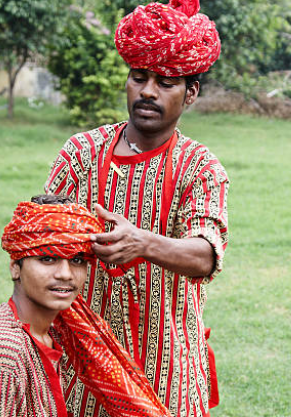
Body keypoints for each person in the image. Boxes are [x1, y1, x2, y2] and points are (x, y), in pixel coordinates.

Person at [44, 1, 229, 416]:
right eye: (139, 77)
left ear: (191, 93)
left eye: (166, 82)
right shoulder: (81, 154)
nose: (147, 91)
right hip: (80, 365)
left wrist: (142, 243)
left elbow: (206, 255)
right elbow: (43, 244)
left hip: (168, 368)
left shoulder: (200, 168)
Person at [0, 194, 102, 417]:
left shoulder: (51, 335)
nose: (65, 274)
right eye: (47, 259)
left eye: (77, 260)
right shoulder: (1, 354)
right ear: (15, 267)